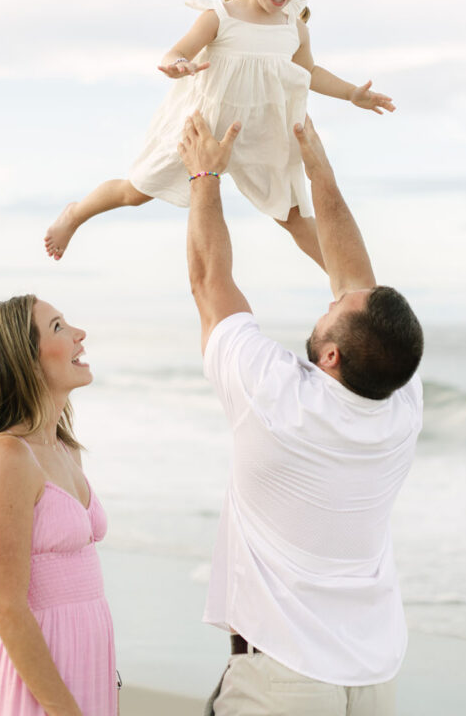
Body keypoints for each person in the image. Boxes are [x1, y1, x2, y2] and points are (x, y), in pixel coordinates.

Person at [176, 112, 424, 716]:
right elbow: (354, 274)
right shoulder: (399, 396)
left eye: (335, 307)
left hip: (286, 675)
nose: (333, 294)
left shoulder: (275, 397)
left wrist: (205, 173)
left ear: (332, 355)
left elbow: (210, 280)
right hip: (373, 672)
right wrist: (314, 167)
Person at [45, 0, 394, 268]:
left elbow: (309, 71)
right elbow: (177, 51)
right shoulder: (220, 17)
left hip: (263, 130)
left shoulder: (294, 26)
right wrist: (178, 64)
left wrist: (352, 93)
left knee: (292, 216)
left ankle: (355, 286)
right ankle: (76, 213)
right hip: (204, 129)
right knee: (134, 192)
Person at [0, 295, 118, 716]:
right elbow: (6, 605)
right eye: (58, 328)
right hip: (37, 692)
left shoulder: (68, 451)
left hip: (87, 674)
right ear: (22, 359)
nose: (79, 335)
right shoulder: (5, 457)